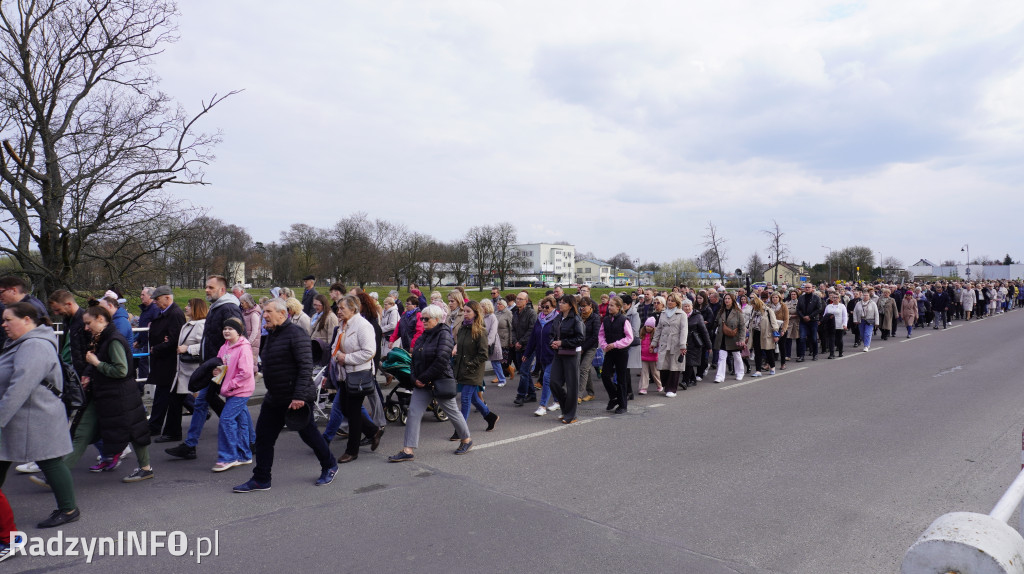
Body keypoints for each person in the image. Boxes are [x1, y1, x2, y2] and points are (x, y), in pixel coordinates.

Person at [233, 299, 337, 492]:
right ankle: (261, 479)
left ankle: (329, 465)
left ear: (282, 313)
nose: (264, 315)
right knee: (264, 438)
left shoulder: (296, 334)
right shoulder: (272, 334)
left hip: (295, 399)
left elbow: (305, 367)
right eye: (264, 312)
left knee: (310, 436)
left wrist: (299, 397)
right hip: (274, 397)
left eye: (268, 312)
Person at [0, 302, 79, 527]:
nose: (3, 324)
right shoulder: (23, 342)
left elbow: (20, 386)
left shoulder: (34, 345)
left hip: (35, 415)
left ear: (27, 320)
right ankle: (68, 508)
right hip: (25, 416)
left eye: (8, 319)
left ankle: (69, 509)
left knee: (50, 462)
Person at [388, 305, 472, 462]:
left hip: (440, 381)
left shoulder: (444, 335)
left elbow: (441, 360)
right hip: (422, 382)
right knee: (413, 412)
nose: (423, 321)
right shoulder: (423, 336)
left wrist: (423, 378)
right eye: (422, 318)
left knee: (452, 412)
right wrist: (414, 378)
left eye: (426, 319)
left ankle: (466, 439)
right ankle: (408, 450)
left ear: (437, 319)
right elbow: (414, 359)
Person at [81, 305, 155, 482]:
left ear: (100, 319)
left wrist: (96, 363)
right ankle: (135, 465)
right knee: (133, 431)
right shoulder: (104, 337)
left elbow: (121, 370)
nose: (86, 327)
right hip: (116, 393)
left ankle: (143, 468)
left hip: (121, 394)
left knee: (134, 431)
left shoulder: (113, 339)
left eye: (88, 323)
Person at [328, 296, 383, 465]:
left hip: (359, 375)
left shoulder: (363, 326)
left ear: (353, 309)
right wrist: (337, 356)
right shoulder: (342, 325)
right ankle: (373, 431)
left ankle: (352, 451)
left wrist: (346, 358)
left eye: (342, 308)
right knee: (346, 408)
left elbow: (369, 352)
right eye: (338, 308)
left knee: (353, 411)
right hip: (344, 375)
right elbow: (334, 347)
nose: (338, 311)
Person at [211, 317, 255, 472]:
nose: (227, 331)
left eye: (231, 329)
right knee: (241, 422)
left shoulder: (244, 348)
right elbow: (220, 365)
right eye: (225, 328)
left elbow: (246, 373)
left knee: (226, 419)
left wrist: (229, 385)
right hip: (229, 390)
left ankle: (228, 457)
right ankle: (244, 455)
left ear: (239, 332)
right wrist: (216, 371)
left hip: (241, 390)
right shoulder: (224, 347)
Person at [145, 286, 186, 442]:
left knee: (164, 395)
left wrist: (157, 347)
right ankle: (156, 426)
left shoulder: (174, 314)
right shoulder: (167, 313)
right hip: (164, 360)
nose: (155, 302)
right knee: (166, 394)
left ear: (167, 298)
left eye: (157, 299)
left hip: (168, 361)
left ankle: (156, 426)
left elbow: (175, 339)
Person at [454, 301, 499, 432]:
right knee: (474, 398)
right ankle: (490, 417)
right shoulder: (462, 329)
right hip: (462, 369)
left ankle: (461, 430)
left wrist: (470, 364)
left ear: (476, 313)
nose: (465, 314)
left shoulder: (481, 331)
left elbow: (483, 355)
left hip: (473, 370)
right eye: (464, 311)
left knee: (465, 398)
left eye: (468, 311)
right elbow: (460, 349)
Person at [547, 295, 584, 424]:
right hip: (559, 352)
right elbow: (552, 334)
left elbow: (580, 338)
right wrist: (553, 342)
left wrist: (562, 342)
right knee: (554, 382)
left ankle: (571, 415)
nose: (560, 304)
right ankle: (565, 410)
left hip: (572, 354)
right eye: (560, 302)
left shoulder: (576, 319)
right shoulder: (558, 317)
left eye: (563, 303)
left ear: (570, 305)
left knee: (572, 385)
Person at [598, 296, 633, 414]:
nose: (609, 307)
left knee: (621, 379)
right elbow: (601, 335)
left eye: (612, 305)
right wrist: (604, 345)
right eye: (609, 305)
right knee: (605, 375)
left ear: (618, 307)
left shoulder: (624, 320)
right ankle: (614, 396)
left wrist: (615, 344)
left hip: (621, 352)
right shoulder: (606, 320)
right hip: (609, 351)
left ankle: (623, 405)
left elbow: (629, 338)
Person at [525, 296, 559, 416]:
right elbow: (533, 338)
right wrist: (527, 353)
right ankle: (557, 401)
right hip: (542, 355)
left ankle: (542, 406)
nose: (544, 309)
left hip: (553, 355)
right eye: (542, 307)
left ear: (553, 307)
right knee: (551, 380)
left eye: (547, 307)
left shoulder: (557, 319)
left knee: (546, 379)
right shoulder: (539, 319)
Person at [653, 292, 688, 395]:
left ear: (677, 302)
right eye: (668, 300)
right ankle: (666, 385)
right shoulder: (663, 313)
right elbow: (659, 329)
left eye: (672, 301)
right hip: (664, 343)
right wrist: (654, 342)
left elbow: (684, 330)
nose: (670, 302)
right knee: (663, 366)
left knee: (674, 366)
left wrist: (682, 345)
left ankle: (672, 389)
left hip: (675, 344)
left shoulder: (682, 314)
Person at [511, 292, 538, 406]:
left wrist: (521, 342)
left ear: (526, 301)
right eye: (517, 299)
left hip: (528, 347)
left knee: (523, 371)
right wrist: (515, 341)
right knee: (524, 371)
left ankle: (521, 395)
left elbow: (532, 330)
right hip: (518, 346)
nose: (518, 301)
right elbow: (512, 329)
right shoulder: (515, 313)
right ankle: (532, 394)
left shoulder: (531, 313)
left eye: (521, 299)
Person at [713, 293, 746, 383]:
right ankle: (720, 376)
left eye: (728, 298)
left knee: (737, 356)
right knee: (722, 357)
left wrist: (742, 339)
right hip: (722, 337)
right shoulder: (721, 311)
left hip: (734, 338)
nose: (727, 300)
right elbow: (716, 322)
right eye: (725, 299)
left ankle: (740, 373)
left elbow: (742, 327)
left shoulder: (738, 312)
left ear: (732, 300)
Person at [680, 299, 711, 389]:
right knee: (686, 362)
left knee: (689, 362)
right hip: (683, 342)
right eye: (685, 306)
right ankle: (693, 379)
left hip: (694, 343)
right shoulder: (681, 316)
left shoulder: (698, 316)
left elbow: (704, 332)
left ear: (692, 307)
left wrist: (709, 345)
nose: (687, 308)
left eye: (688, 306)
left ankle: (685, 381)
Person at [745, 296, 779, 376]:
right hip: (756, 333)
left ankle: (772, 366)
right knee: (757, 352)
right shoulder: (753, 311)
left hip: (766, 334)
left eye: (754, 305)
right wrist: (748, 334)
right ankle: (758, 370)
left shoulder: (768, 311)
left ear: (758, 304)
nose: (753, 306)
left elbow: (774, 323)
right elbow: (750, 323)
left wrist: (775, 334)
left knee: (768, 351)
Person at [134, 287, 160, 382]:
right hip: (144, 343)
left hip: (150, 344)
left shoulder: (154, 309)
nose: (141, 297)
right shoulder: (145, 310)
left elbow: (155, 326)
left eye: (143, 295)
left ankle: (142, 386)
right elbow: (143, 326)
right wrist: (139, 341)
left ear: (150, 296)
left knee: (144, 365)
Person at [577, 297, 600, 402]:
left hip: (591, 347)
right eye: (581, 306)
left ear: (590, 306)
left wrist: (584, 348)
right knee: (587, 370)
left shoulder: (595, 317)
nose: (582, 308)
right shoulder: (579, 317)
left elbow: (595, 336)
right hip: (580, 346)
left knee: (583, 369)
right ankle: (591, 393)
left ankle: (579, 395)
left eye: (584, 306)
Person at [795, 283, 823, 362]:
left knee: (814, 338)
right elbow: (798, 309)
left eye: (809, 287)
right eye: (806, 287)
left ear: (812, 288)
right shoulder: (801, 298)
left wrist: (810, 316)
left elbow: (819, 309)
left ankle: (815, 354)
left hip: (813, 321)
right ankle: (801, 356)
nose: (807, 289)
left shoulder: (816, 298)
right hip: (803, 321)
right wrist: (803, 316)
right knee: (802, 338)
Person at [309, 294, 338, 365]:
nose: (315, 307)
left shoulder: (331, 317)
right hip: (314, 351)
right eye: (314, 305)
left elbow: (332, 338)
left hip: (323, 352)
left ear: (323, 304)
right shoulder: (314, 316)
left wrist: (329, 355)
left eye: (317, 305)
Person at [491, 298, 514, 386]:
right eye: (497, 304)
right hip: (496, 340)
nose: (498, 305)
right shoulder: (496, 313)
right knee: (497, 359)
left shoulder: (508, 313)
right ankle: (500, 376)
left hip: (505, 340)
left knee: (503, 361)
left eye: (500, 304)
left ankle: (509, 369)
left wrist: (511, 341)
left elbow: (511, 328)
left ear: (504, 305)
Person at [240, 293, 262, 373]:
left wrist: (248, 342)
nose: (241, 305)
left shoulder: (254, 314)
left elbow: (255, 331)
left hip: (252, 343)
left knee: (251, 363)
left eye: (242, 303)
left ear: (247, 302)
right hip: (245, 341)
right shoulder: (244, 312)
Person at [822, 292, 848, 359]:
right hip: (831, 325)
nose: (835, 299)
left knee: (839, 340)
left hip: (839, 325)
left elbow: (844, 316)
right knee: (831, 340)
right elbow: (824, 315)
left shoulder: (842, 306)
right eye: (834, 297)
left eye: (836, 297)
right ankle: (832, 354)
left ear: (839, 299)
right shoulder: (828, 306)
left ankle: (840, 352)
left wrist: (845, 324)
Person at [770, 292, 790, 370]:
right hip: (772, 328)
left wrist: (783, 330)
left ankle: (783, 363)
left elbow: (786, 319)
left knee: (782, 346)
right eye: (773, 297)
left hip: (781, 327)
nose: (775, 299)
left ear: (779, 298)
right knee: (770, 347)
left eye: (776, 297)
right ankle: (769, 364)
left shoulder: (783, 306)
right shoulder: (769, 306)